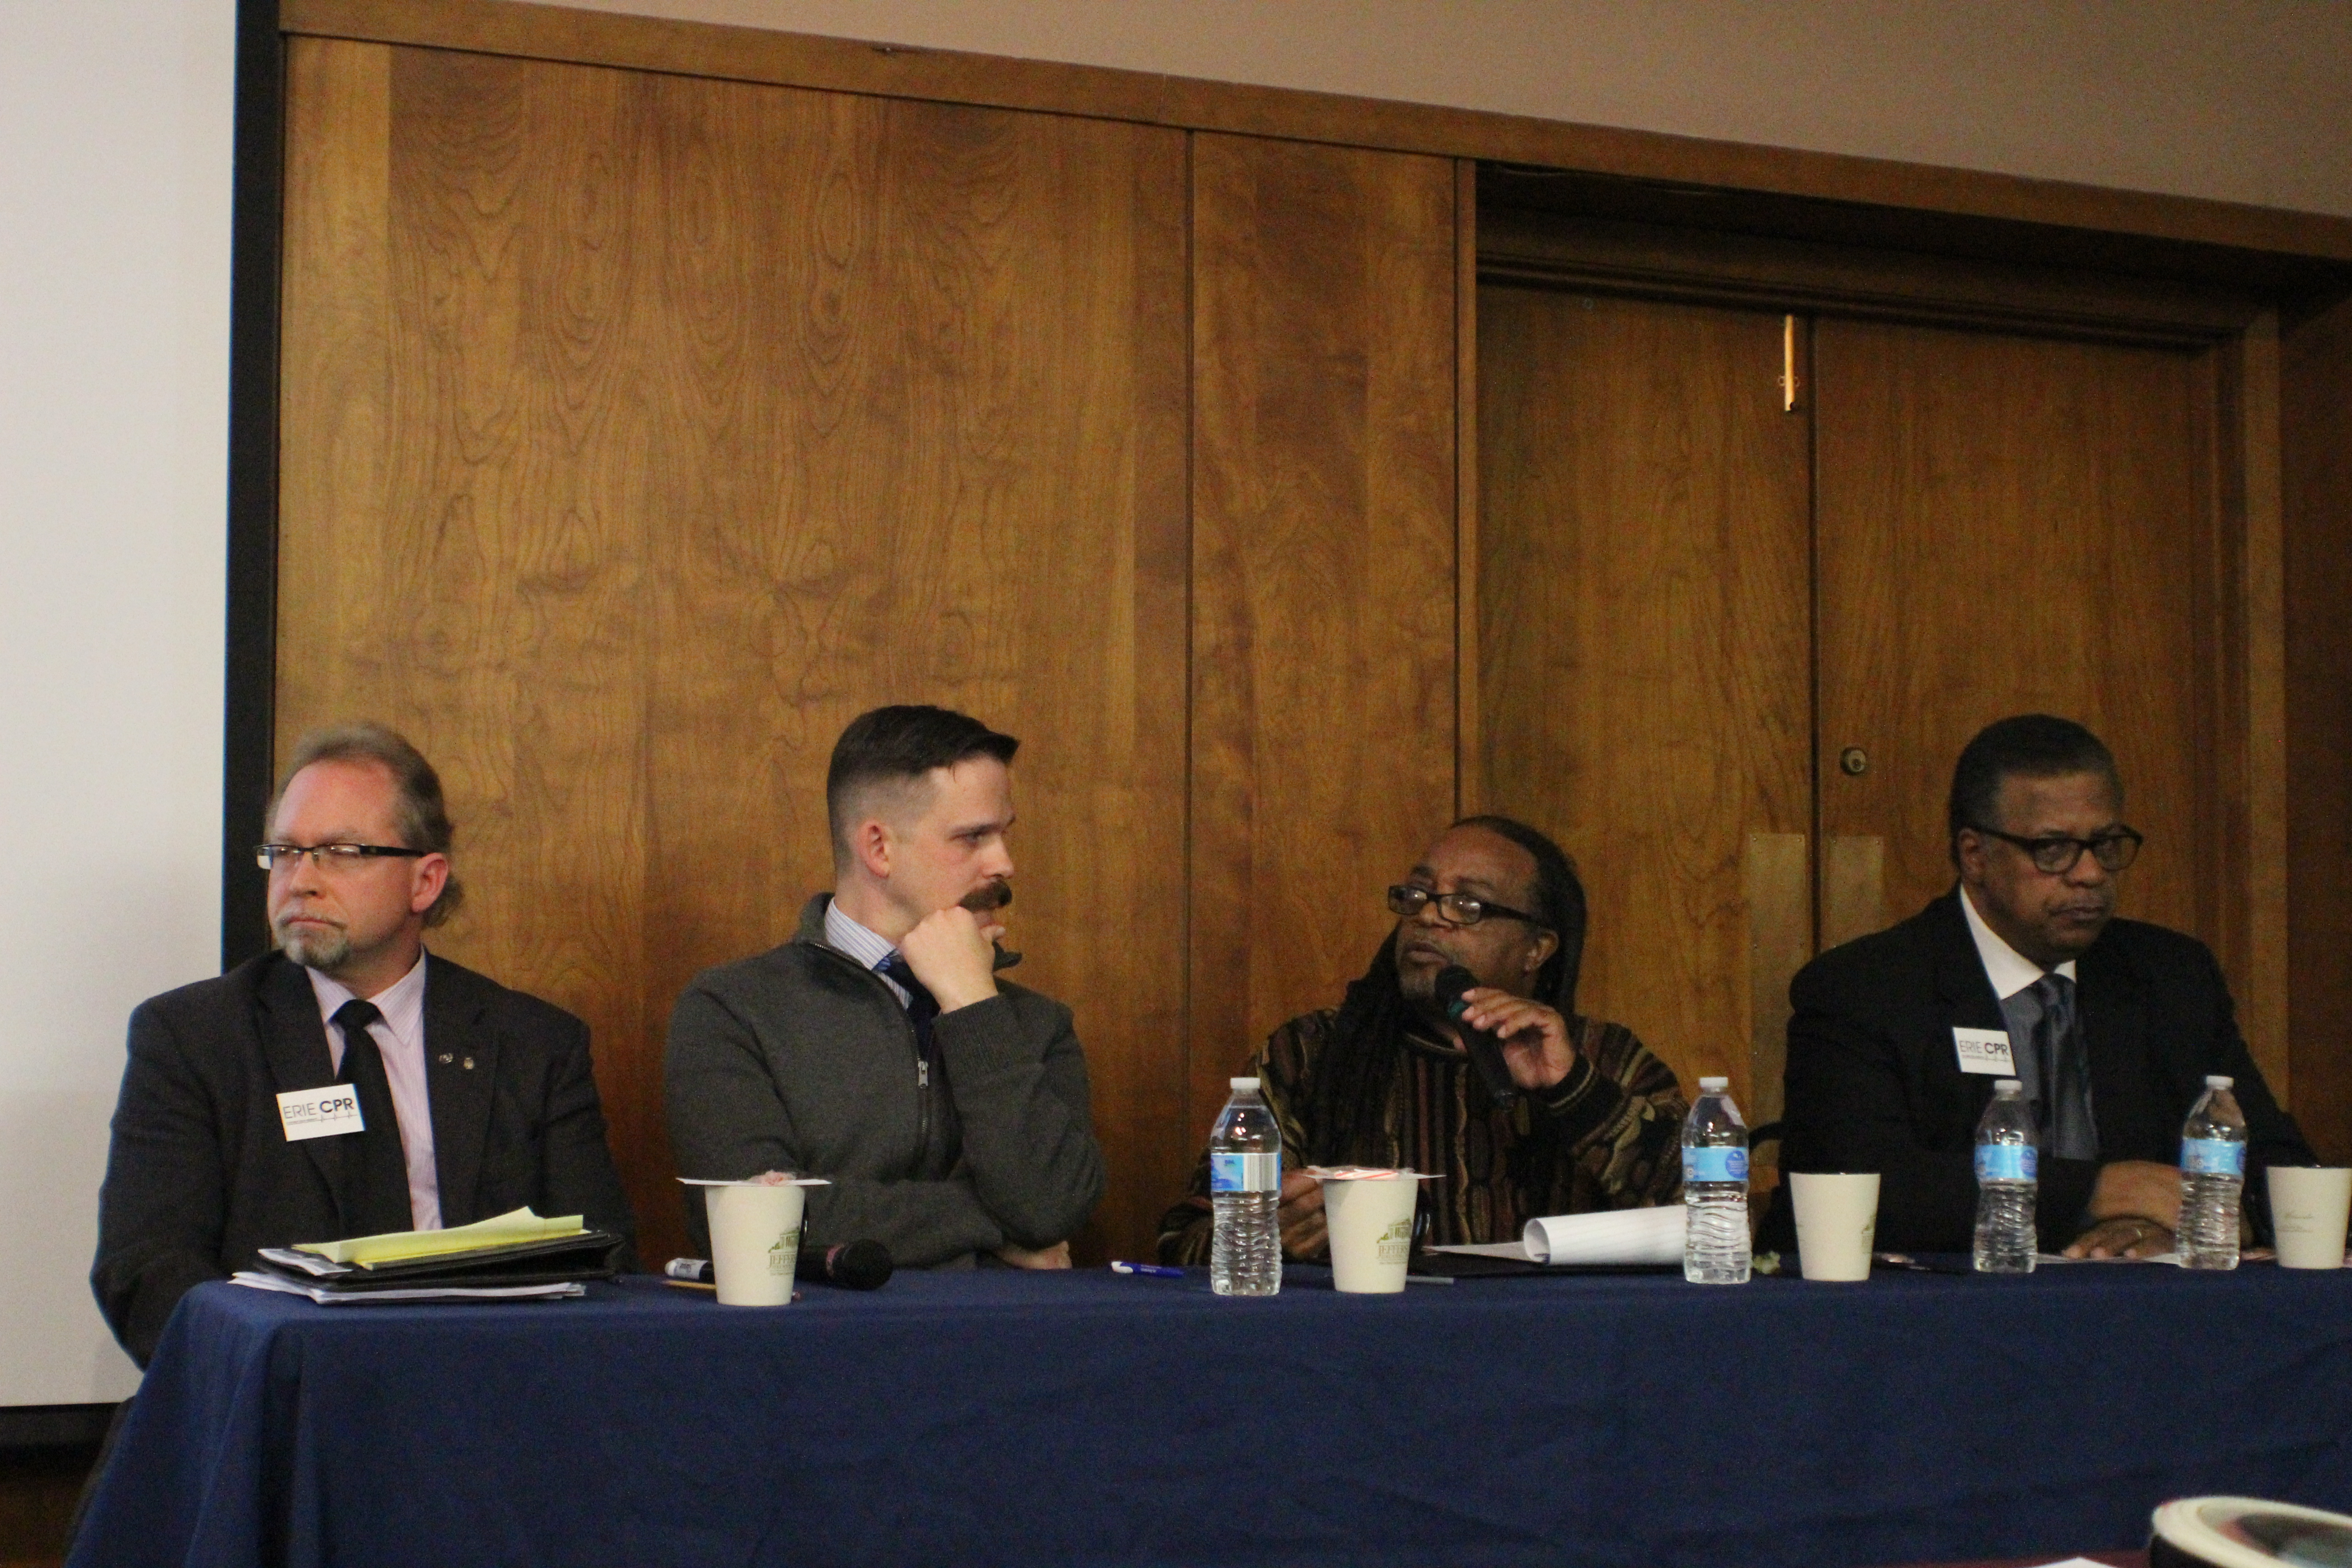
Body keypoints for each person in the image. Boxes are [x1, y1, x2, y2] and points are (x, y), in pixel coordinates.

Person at [91, 723, 637, 1365]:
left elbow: (600, 1257)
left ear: (425, 882)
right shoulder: (194, 1039)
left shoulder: (533, 1045)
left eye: (341, 852)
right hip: (281, 1402)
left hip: (485, 1397)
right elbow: (148, 1273)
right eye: (286, 852)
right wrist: (291, 1368)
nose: (301, 880)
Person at [1771, 714, 2313, 1259]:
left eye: (2106, 845)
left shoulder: (2169, 976)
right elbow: (1851, 1186)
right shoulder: (1866, 989)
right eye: (2053, 849)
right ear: (1975, 855)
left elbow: (2283, 1167)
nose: (2091, 874)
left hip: (2143, 1310)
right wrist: (2101, 1191)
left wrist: (2203, 1222)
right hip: (1937, 1320)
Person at [665, 705, 1103, 1269]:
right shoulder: (735, 1009)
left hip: (997, 1347)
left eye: (1003, 834)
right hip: (808, 1348)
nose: (1006, 863)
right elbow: (753, 1222)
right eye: (972, 837)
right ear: (879, 848)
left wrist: (972, 1005)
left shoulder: (1033, 1025)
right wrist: (994, 1225)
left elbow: (1053, 1208)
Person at [1158, 816, 1686, 1264]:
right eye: (1419, 895)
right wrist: (1266, 1235)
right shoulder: (1312, 1053)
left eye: (1467, 905)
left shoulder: (1605, 1058)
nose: (1430, 916)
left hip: (1563, 1353)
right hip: (1367, 1354)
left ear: (1537, 948)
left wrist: (1574, 1091)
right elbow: (1182, 1240)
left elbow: (1711, 1217)